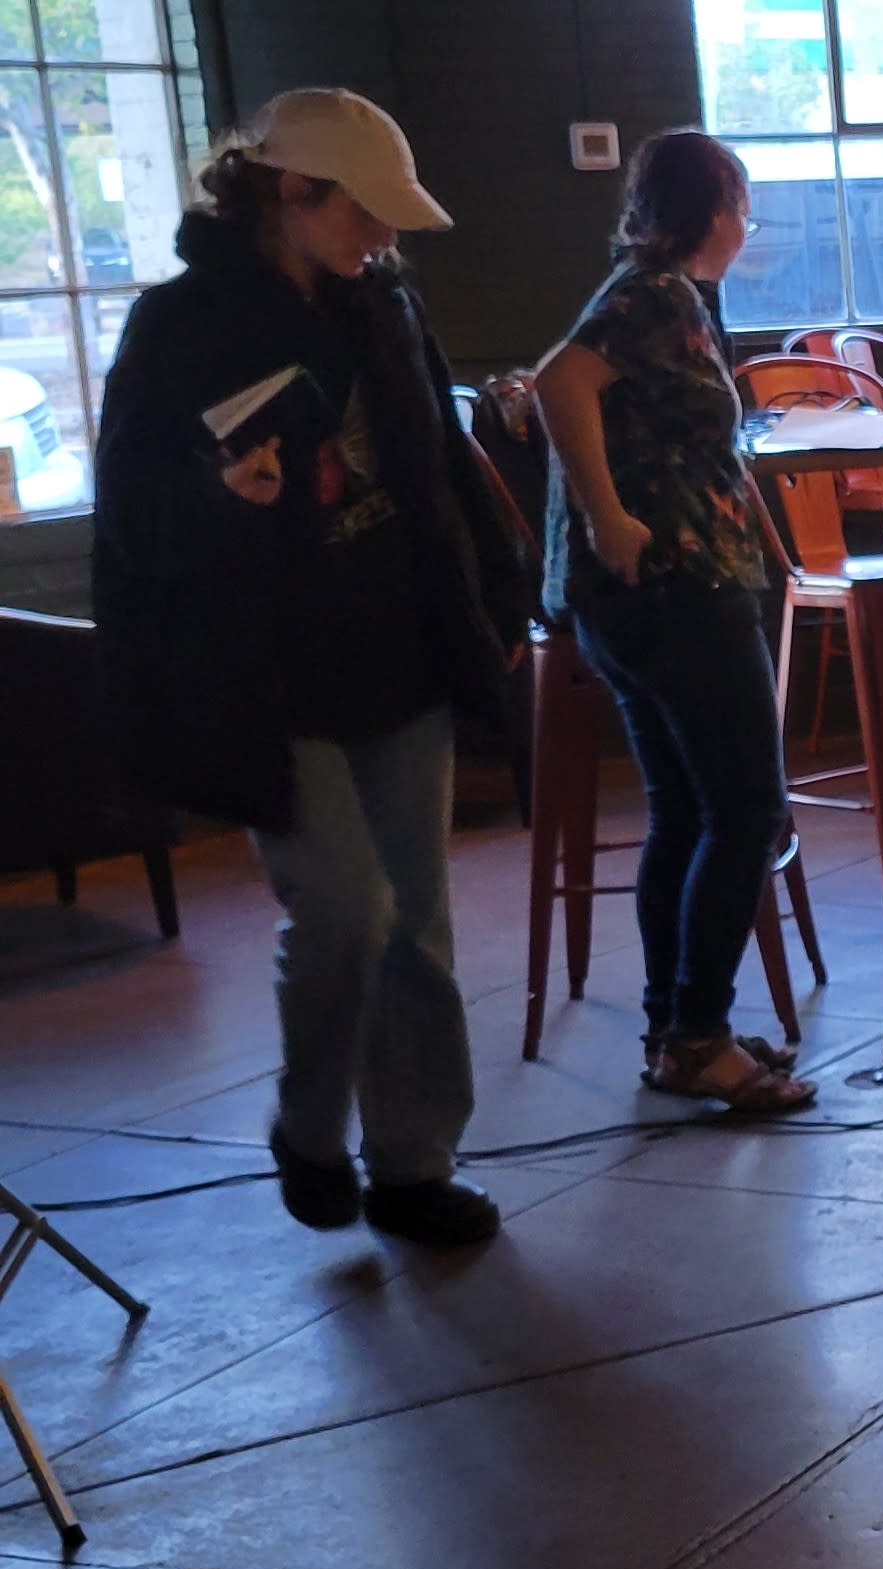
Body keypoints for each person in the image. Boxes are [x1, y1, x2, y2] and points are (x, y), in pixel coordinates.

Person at [92, 89, 530, 1247]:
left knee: (417, 920)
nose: (381, 236)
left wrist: (495, 598)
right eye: (363, 212)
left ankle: (413, 1162)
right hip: (266, 670)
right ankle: (308, 1126)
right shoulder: (178, 325)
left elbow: (437, 465)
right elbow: (131, 511)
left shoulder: (383, 307)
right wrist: (212, 495)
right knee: (345, 905)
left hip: (401, 649)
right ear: (291, 195)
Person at [533, 131, 814, 1114]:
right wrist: (609, 514)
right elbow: (557, 383)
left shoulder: (667, 296)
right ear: (716, 209)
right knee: (745, 809)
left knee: (690, 813)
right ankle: (696, 1038)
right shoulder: (653, 296)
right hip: (675, 589)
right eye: (742, 202)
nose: (748, 223)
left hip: (640, 596)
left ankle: (675, 1033)